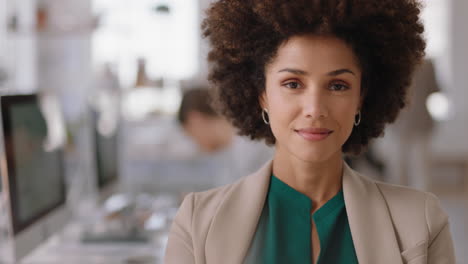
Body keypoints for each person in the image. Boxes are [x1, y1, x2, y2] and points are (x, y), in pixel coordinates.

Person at [165, 0, 456, 263]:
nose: (315, 108)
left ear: (361, 99)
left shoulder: (421, 222)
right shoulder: (196, 222)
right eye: (293, 83)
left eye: (338, 85)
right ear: (261, 95)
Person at [178, 87, 274, 186]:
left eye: (190, 135)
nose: (195, 144)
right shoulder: (226, 155)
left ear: (196, 120)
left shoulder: (254, 145)